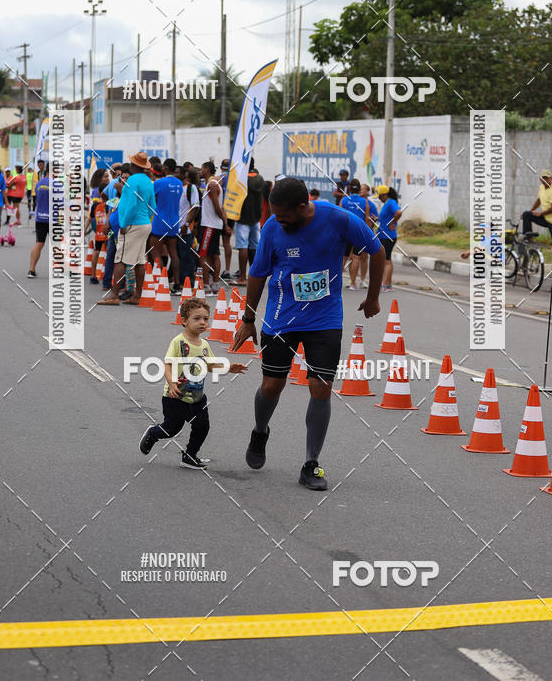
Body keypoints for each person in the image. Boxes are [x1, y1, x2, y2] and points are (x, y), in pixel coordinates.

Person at [231, 177, 385, 491]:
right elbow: (258, 273)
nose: (278, 220)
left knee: (321, 388)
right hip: (281, 317)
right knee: (272, 385)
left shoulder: (339, 218)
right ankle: (260, 430)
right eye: (274, 214)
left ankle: (310, 463)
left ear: (303, 207)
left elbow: (377, 249)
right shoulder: (273, 227)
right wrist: (248, 318)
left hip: (324, 319)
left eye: (284, 215)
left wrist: (372, 297)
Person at [139, 299, 247, 469]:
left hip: (197, 397)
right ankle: (153, 433)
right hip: (175, 396)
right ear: (184, 321)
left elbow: (210, 365)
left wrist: (228, 367)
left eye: (206, 319)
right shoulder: (178, 342)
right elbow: (166, 363)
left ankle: (189, 455)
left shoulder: (204, 345)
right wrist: (171, 382)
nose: (202, 322)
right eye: (197, 318)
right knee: (172, 429)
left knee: (202, 426)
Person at [98, 152, 156, 305]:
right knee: (139, 261)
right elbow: (152, 206)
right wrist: (144, 218)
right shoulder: (148, 181)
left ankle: (114, 295)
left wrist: (123, 224)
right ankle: (137, 295)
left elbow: (130, 206)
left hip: (132, 224)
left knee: (120, 259)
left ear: (133, 166)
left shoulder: (132, 181)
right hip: (144, 223)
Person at [150, 157, 183, 292]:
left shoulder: (159, 183)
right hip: (174, 221)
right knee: (173, 254)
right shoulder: (179, 183)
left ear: (165, 168)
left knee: (155, 253)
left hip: (160, 221)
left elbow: (150, 198)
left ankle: (161, 282)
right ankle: (176, 283)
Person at [198, 161, 229, 294]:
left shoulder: (212, 184)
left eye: (201, 169)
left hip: (210, 225)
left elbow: (218, 207)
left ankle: (207, 285)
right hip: (212, 224)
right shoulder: (212, 184)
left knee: (204, 255)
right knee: (213, 254)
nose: (200, 171)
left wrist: (225, 223)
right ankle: (214, 284)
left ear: (207, 170)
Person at [234, 159, 265, 285]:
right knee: (254, 247)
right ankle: (254, 275)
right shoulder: (260, 178)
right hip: (256, 217)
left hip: (243, 217)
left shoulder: (241, 179)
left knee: (242, 246)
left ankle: (242, 277)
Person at [340, 179, 370, 291]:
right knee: (356, 256)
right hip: (359, 232)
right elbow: (366, 219)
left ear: (349, 188)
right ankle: (353, 283)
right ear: (358, 189)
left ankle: (336, 281)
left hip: (346, 231)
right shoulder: (364, 202)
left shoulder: (344, 200)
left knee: (344, 257)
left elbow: (339, 217)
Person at [522, 170, 552, 245]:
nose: (545, 180)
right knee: (526, 214)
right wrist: (531, 210)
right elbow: (539, 201)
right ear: (540, 179)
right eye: (543, 178)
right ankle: (529, 239)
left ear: (551, 178)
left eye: (547, 178)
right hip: (544, 217)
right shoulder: (541, 187)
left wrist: (540, 213)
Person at [177, 167, 201, 287]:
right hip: (173, 228)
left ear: (183, 175)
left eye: (177, 173)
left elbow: (195, 208)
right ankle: (178, 282)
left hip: (184, 229)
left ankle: (188, 283)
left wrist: (187, 224)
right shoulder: (176, 188)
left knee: (186, 257)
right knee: (177, 256)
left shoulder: (191, 189)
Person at [376, 185, 403, 291]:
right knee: (387, 259)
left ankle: (385, 284)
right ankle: (388, 284)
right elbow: (386, 216)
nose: (379, 198)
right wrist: (378, 218)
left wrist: (392, 222)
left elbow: (399, 212)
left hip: (388, 236)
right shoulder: (387, 203)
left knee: (386, 260)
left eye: (379, 196)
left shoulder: (390, 202)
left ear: (384, 195)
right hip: (384, 235)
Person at [27, 164, 50, 277]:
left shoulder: (39, 183)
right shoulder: (57, 184)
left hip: (40, 217)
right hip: (54, 218)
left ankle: (31, 270)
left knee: (39, 243)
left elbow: (37, 198)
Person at [359, 183, 380, 288]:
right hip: (355, 233)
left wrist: (373, 220)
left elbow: (376, 218)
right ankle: (352, 279)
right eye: (360, 189)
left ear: (368, 192)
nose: (361, 191)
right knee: (353, 257)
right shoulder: (355, 202)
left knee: (364, 256)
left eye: (363, 189)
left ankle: (363, 279)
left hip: (366, 233)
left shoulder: (371, 205)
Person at [219, 157, 235, 280]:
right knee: (227, 244)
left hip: (217, 212)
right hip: (230, 213)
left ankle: (212, 270)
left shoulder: (219, 178)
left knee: (214, 245)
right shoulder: (233, 179)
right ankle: (227, 269)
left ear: (221, 167)